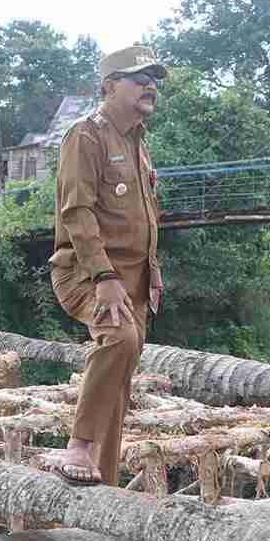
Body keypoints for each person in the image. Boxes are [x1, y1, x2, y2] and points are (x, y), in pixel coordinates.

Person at [38, 45, 166, 486]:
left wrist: (151, 269)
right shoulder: (85, 136)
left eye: (153, 78)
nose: (150, 85)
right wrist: (105, 276)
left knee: (119, 383)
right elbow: (78, 213)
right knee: (118, 338)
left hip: (134, 278)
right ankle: (78, 444)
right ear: (110, 86)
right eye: (138, 78)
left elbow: (143, 213)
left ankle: (102, 483)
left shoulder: (137, 142)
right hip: (88, 272)